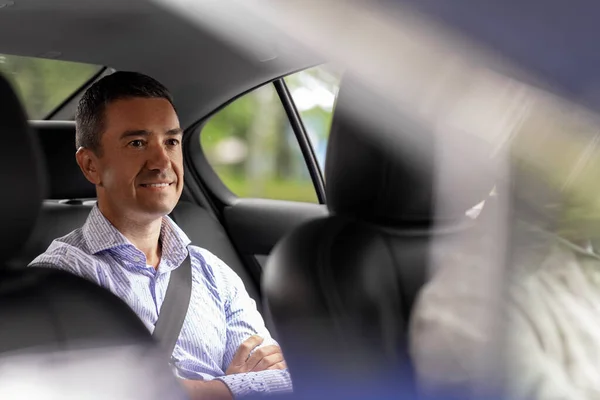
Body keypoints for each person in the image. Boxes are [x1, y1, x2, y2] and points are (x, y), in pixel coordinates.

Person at [29, 71, 292, 400]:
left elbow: (281, 380)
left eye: (171, 142)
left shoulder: (214, 273)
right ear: (91, 165)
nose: (161, 161)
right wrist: (231, 388)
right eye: (137, 143)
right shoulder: (58, 279)